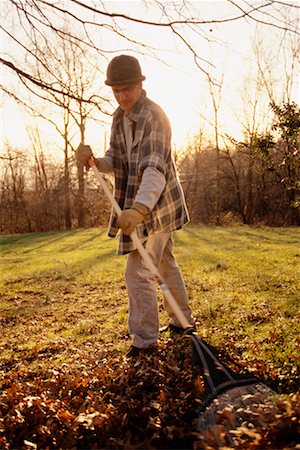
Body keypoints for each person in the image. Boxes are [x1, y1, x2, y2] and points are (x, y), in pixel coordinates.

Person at [76, 54, 195, 358]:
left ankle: (145, 342)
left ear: (141, 84)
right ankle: (183, 322)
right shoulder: (119, 117)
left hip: (159, 206)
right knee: (164, 262)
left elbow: (153, 168)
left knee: (139, 270)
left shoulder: (154, 116)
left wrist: (139, 209)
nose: (122, 96)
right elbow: (117, 161)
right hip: (140, 204)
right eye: (116, 90)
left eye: (127, 89)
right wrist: (94, 162)